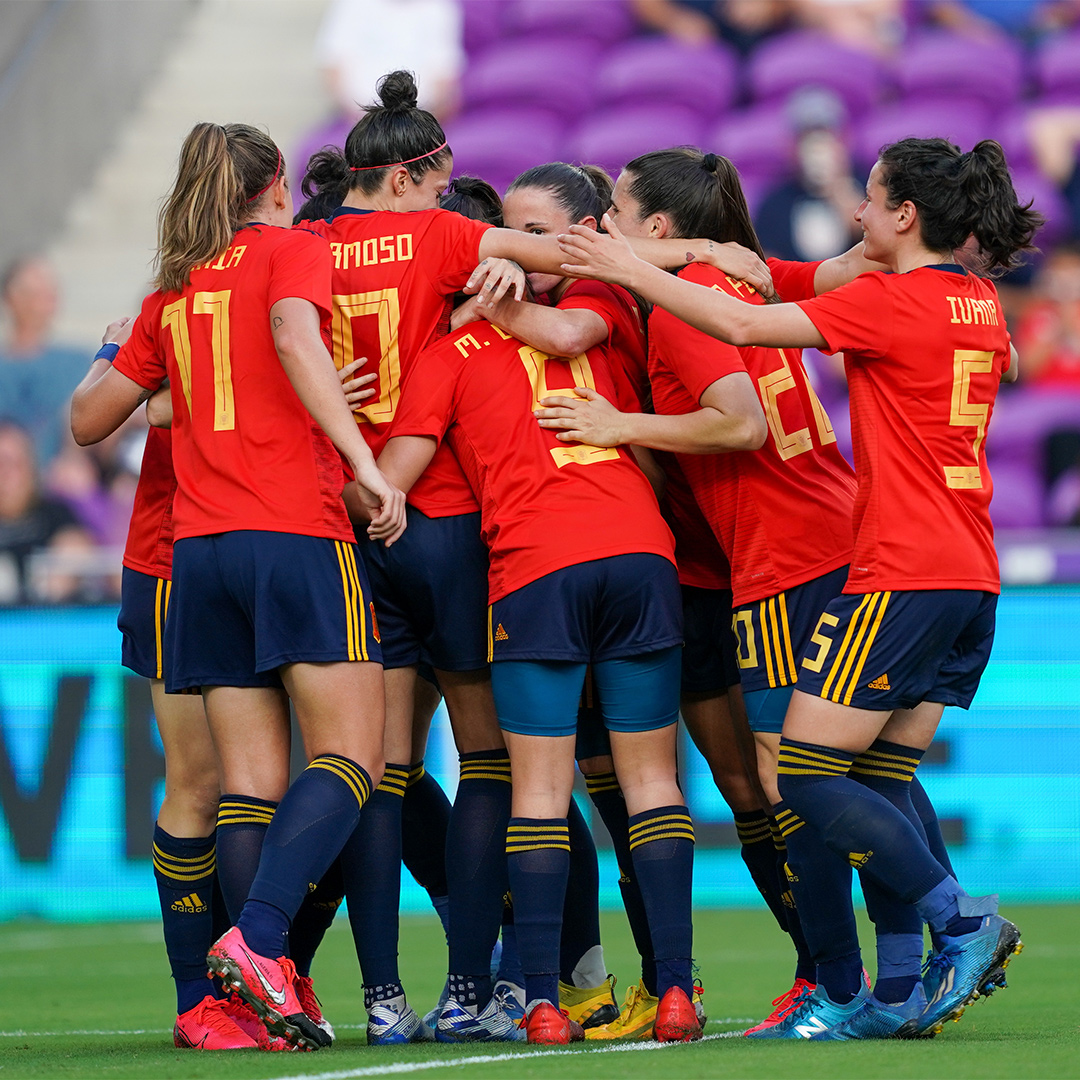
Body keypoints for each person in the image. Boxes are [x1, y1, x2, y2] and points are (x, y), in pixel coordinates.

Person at [556, 135, 1040, 1039]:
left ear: (905, 216)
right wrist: (705, 253)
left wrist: (630, 271)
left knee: (805, 774)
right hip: (965, 567)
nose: (855, 212)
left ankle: (931, 935)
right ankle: (897, 992)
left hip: (874, 563)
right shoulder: (972, 301)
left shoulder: (883, 303)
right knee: (883, 775)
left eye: (870, 197)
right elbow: (786, 284)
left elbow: (740, 330)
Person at [70, 121, 405, 1052]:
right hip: (294, 533)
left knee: (246, 787)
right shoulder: (290, 251)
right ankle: (258, 946)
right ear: (276, 187)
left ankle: (238, 994)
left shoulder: (170, 293)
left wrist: (117, 357)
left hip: (199, 556)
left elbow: (88, 419)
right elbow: (296, 335)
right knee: (351, 757)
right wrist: (359, 459)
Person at [527, 147, 865, 1034]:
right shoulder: (704, 283)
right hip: (698, 563)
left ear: (655, 227)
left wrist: (617, 422)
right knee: (675, 781)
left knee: (757, 780)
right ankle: (698, 978)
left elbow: (736, 417)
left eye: (614, 214)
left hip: (729, 570)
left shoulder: (667, 305)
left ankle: (838, 964)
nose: (589, 233)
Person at [375, 280, 765, 1043]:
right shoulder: (602, 338)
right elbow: (653, 465)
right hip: (639, 556)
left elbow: (394, 479)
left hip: (535, 567)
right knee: (651, 779)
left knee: (541, 789)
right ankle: (677, 991)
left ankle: (546, 1003)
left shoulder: (449, 352)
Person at [0, 257, 88, 467]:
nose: (46, 298)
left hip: (61, 482)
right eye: (34, 291)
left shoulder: (78, 363)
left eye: (49, 291)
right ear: (10, 298)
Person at [0, 419, 94, 604]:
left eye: (13, 463)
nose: (6, 474)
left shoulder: (55, 513)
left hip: (47, 621)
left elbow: (80, 548)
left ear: (31, 467)